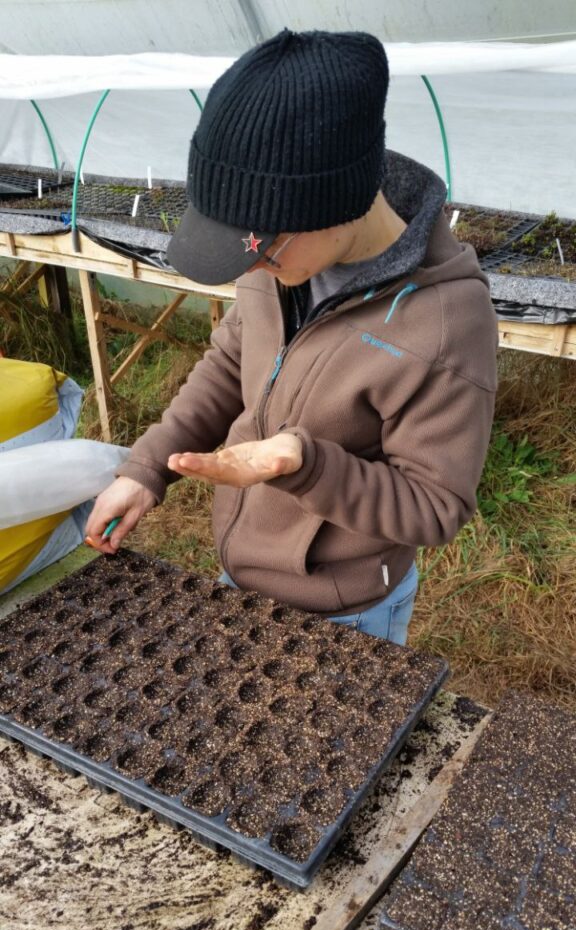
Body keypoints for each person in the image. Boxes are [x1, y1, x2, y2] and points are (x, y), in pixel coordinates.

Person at [85, 28, 498, 645]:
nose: (251, 267)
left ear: (338, 201)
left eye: (263, 248)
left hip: (344, 609)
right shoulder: (282, 261)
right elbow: (230, 363)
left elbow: (435, 507)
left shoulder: (443, 323)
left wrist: (306, 465)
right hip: (238, 571)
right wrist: (145, 469)